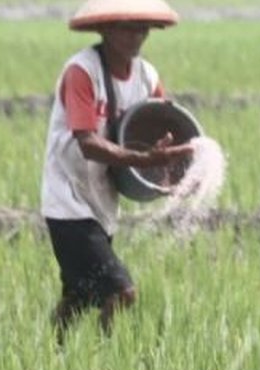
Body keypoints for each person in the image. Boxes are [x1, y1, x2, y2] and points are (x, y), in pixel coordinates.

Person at [41, 0, 194, 342]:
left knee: (79, 297)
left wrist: (173, 173)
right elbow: (87, 142)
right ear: (105, 29)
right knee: (121, 292)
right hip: (68, 200)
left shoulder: (146, 76)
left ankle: (52, 352)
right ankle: (105, 358)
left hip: (103, 200)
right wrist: (142, 161)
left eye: (142, 27)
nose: (136, 35)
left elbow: (159, 131)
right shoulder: (82, 72)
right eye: (126, 27)